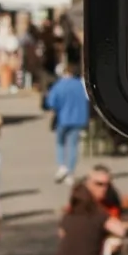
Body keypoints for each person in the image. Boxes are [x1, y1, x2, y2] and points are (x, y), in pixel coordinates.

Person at [46, 54, 91, 186]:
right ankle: (70, 172)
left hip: (63, 118)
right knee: (73, 146)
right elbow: (88, 100)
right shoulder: (80, 85)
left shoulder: (59, 85)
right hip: (78, 119)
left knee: (60, 143)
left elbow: (51, 102)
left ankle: (62, 166)